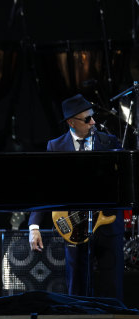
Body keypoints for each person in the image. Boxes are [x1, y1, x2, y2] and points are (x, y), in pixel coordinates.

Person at [28, 94, 125, 301]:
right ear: (71, 122)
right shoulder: (56, 147)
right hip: (75, 225)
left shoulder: (109, 142)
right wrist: (34, 227)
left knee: (112, 286)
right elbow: (45, 187)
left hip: (108, 225)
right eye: (87, 119)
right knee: (77, 287)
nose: (93, 123)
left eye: (92, 117)